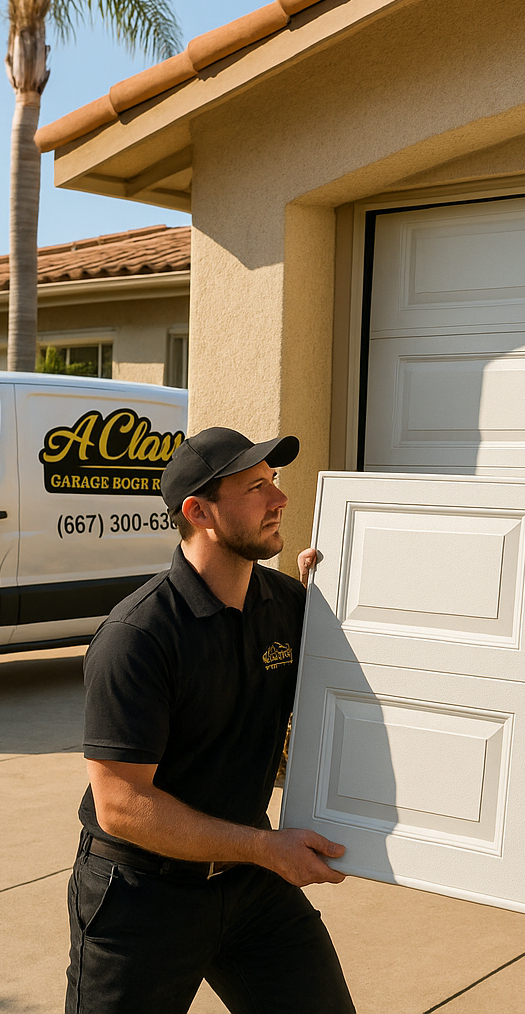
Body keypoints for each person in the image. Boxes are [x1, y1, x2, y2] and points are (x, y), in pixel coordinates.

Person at [64, 427, 355, 1014]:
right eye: (255, 487)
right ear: (199, 512)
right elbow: (120, 805)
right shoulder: (138, 637)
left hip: (249, 885)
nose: (280, 500)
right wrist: (267, 848)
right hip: (145, 895)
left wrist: (348, 590)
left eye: (274, 482)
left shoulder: (289, 606)